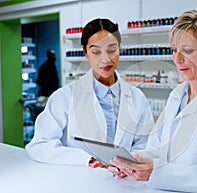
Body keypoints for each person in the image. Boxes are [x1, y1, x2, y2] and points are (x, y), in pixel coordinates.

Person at [108, 7, 197, 193]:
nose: (177, 59)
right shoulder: (177, 95)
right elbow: (157, 147)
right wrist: (129, 163)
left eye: (188, 50)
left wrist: (156, 173)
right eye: (174, 50)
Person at [26, 18, 154, 168]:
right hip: (81, 181)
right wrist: (87, 160)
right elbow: (40, 145)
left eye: (112, 50)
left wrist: (132, 163)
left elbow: (145, 145)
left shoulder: (136, 97)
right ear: (85, 51)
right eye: (96, 52)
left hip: (125, 183)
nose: (105, 59)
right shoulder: (64, 97)